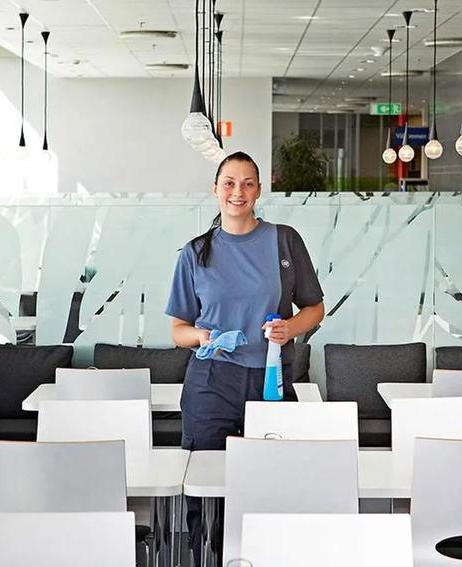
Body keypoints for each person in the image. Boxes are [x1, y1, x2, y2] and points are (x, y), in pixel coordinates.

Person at [165, 151, 325, 563]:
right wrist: (200, 335)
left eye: (248, 183)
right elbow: (178, 330)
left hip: (270, 381)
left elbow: (314, 307)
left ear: (258, 190)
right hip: (211, 383)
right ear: (215, 189)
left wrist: (292, 327)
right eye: (230, 183)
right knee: (207, 489)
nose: (238, 191)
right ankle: (209, 557)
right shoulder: (195, 252)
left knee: (269, 483)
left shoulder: (284, 239)